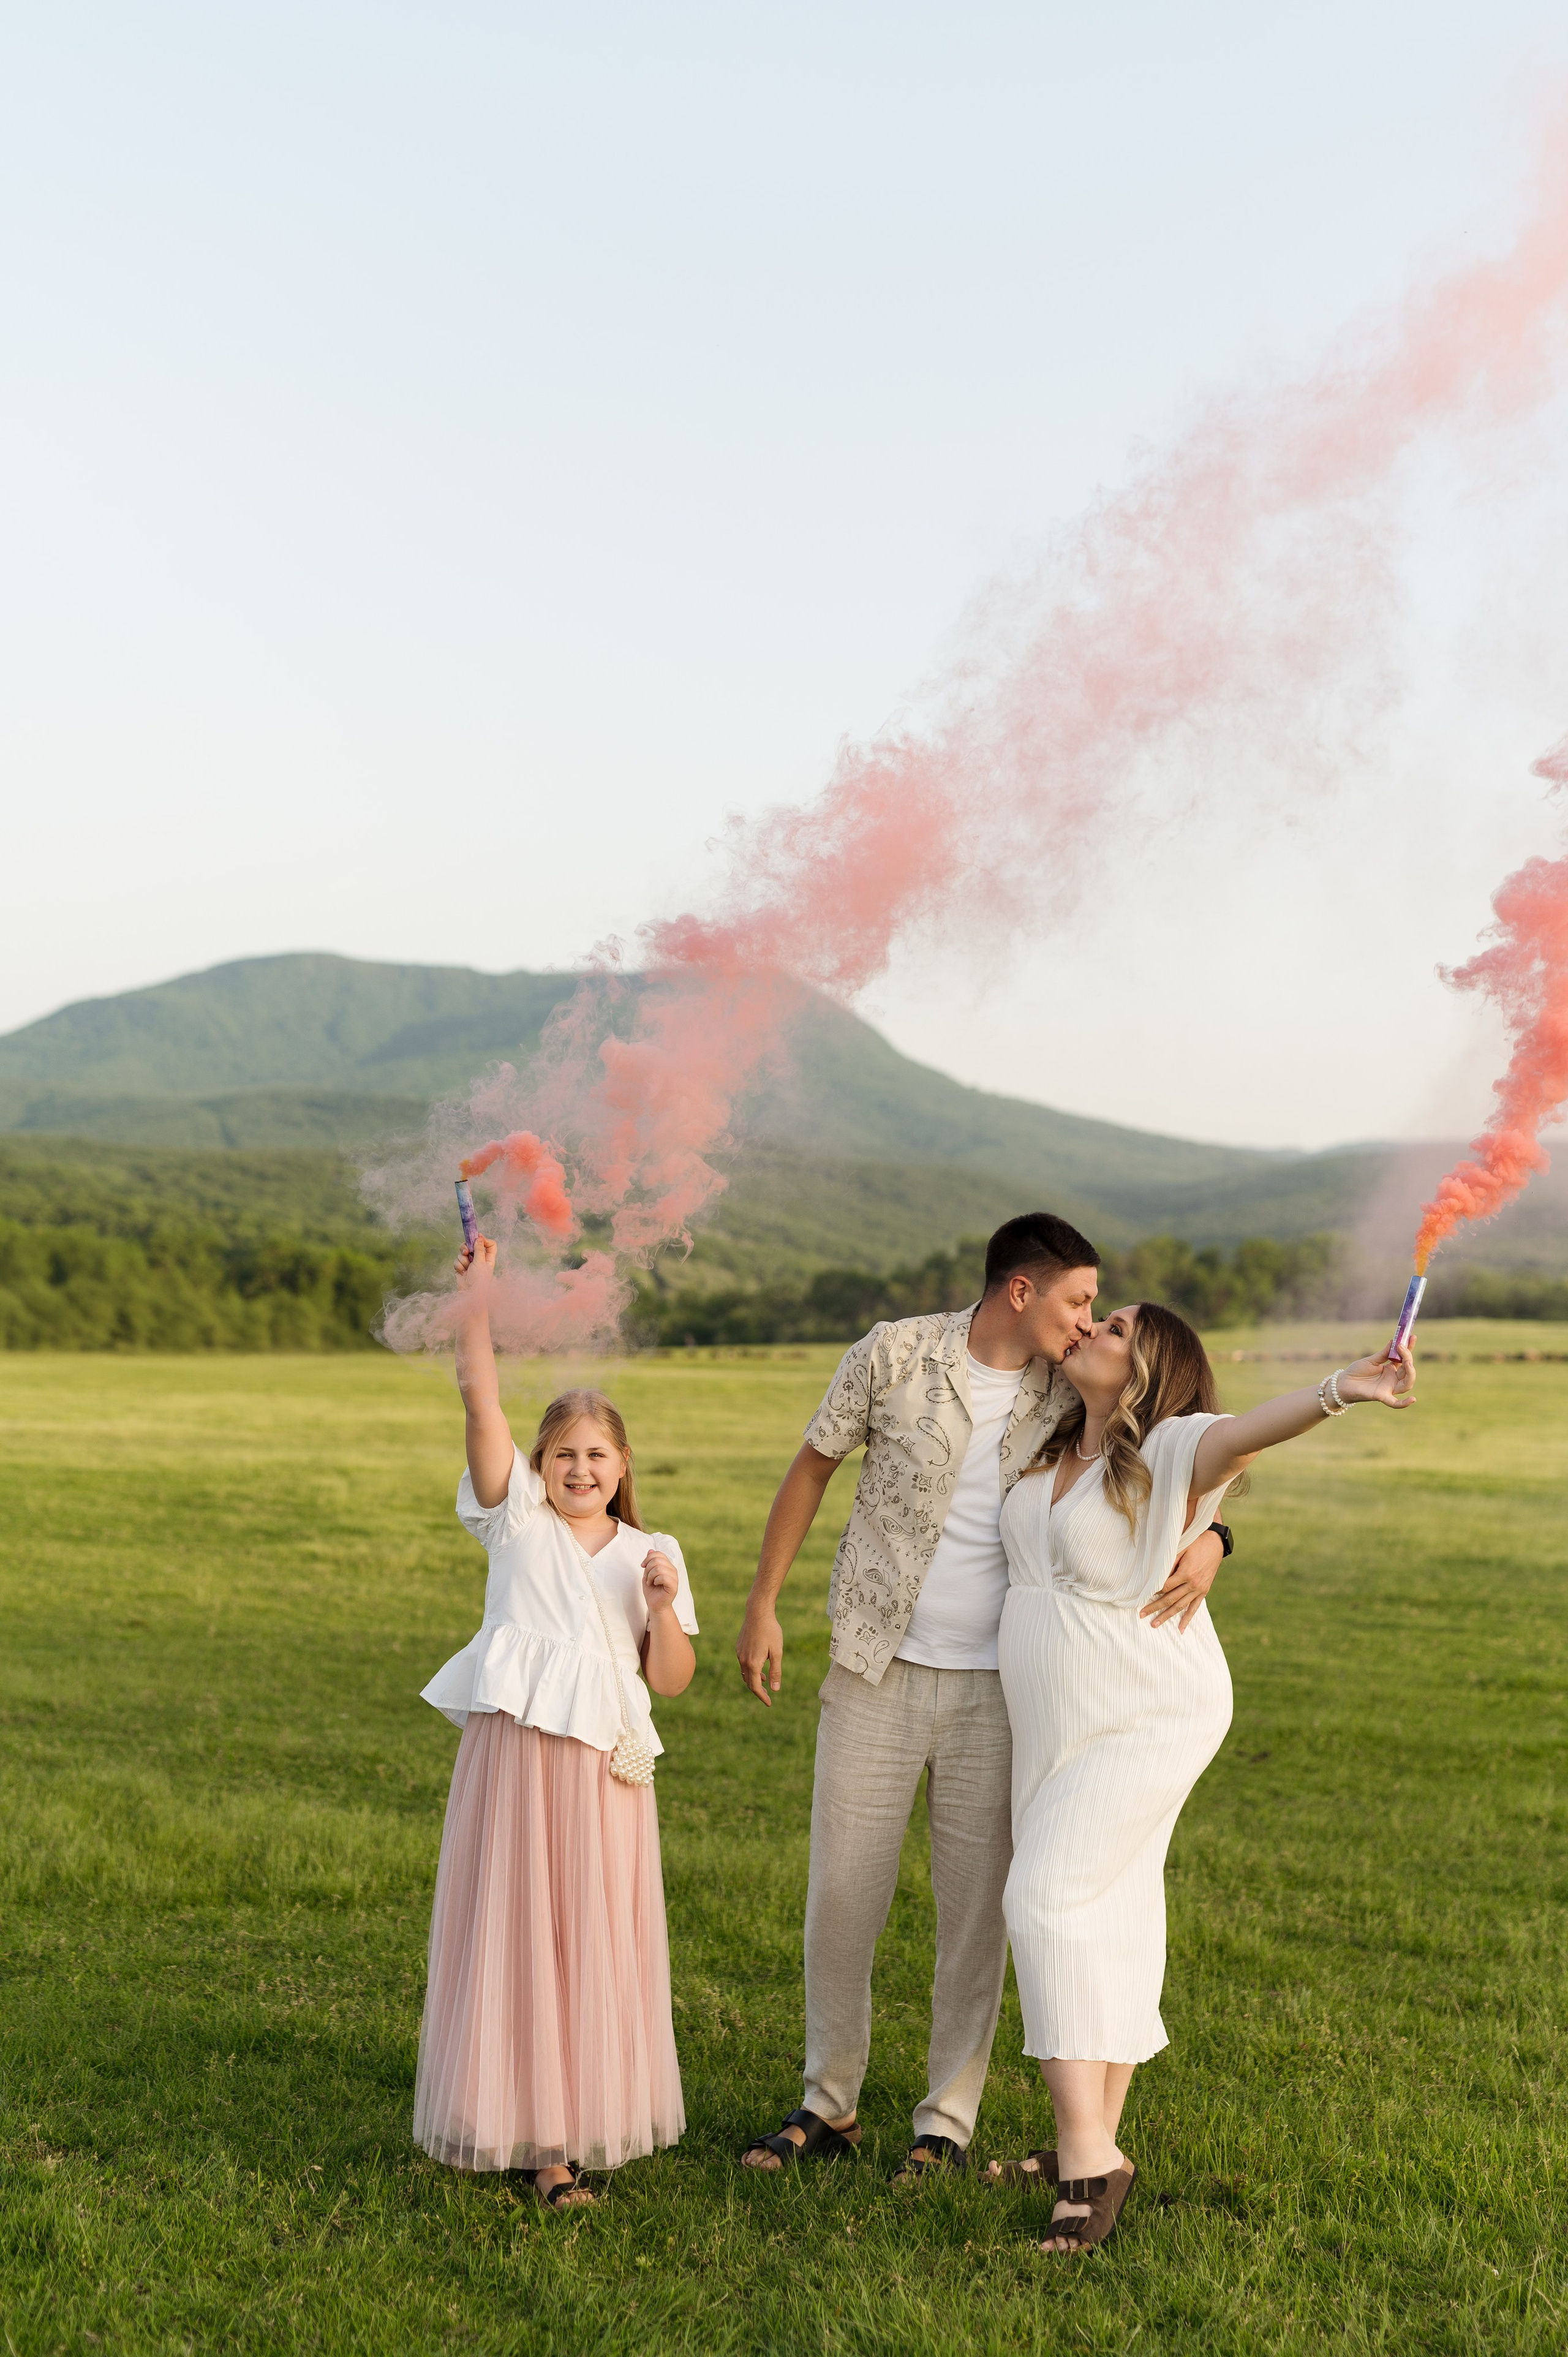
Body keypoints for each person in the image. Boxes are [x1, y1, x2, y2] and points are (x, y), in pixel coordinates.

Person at [733, 1213, 1230, 2183]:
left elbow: (1188, 1451)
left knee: (977, 1915)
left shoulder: (1071, 1388)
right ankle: (828, 2104)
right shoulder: (894, 1354)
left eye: (1099, 1312)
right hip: (874, 1668)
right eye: (1080, 1302)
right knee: (842, 1895)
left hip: (1006, 1695)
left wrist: (1217, 1543)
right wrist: (762, 1603)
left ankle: (945, 2124)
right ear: (1022, 1291)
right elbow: (813, 1467)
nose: (1089, 1326)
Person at [988, 1300, 1415, 2252]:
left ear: (1152, 1368)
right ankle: (1086, 2140)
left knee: (1047, 1900)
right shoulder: (1054, 1445)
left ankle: (1090, 2161)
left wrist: (1344, 1388)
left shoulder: (1177, 1446)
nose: (1096, 1325)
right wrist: (1218, 1539)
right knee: (1114, 1909)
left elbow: (1249, 1433)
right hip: (1057, 1718)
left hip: (1149, 1710)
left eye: (1119, 1326)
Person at [411, 1233, 699, 2210]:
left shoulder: (651, 1550)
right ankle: (531, 2138)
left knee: (590, 1934)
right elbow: (479, 1400)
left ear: (623, 1467)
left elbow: (673, 1678)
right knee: (516, 1926)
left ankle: (579, 2119)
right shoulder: (516, 1519)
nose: (581, 1468)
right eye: (565, 1454)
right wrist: (480, 1304)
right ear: (541, 1464)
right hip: (518, 1757)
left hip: (603, 1768)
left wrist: (662, 1604)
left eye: (598, 1456)